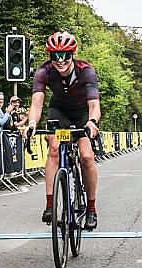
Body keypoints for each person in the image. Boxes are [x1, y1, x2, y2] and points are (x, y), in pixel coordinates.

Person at [27, 31, 101, 231]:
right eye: (55, 56)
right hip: (59, 113)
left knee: (86, 157)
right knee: (54, 150)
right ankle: (50, 205)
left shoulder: (86, 71)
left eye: (65, 55)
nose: (60, 61)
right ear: (50, 56)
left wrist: (92, 122)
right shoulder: (44, 71)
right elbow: (36, 105)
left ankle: (92, 208)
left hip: (82, 115)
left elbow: (94, 104)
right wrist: (32, 124)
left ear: (73, 53)